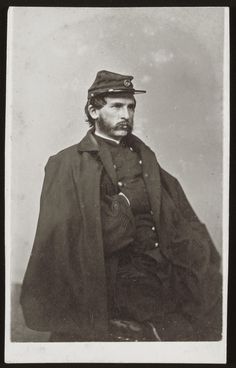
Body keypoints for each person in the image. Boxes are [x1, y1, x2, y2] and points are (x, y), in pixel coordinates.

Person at [20, 70, 222, 342]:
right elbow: (69, 240)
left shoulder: (145, 158)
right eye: (116, 106)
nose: (126, 115)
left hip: (160, 272)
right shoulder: (67, 164)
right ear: (93, 111)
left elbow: (178, 219)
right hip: (112, 281)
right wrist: (126, 203)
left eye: (131, 107)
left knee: (209, 298)